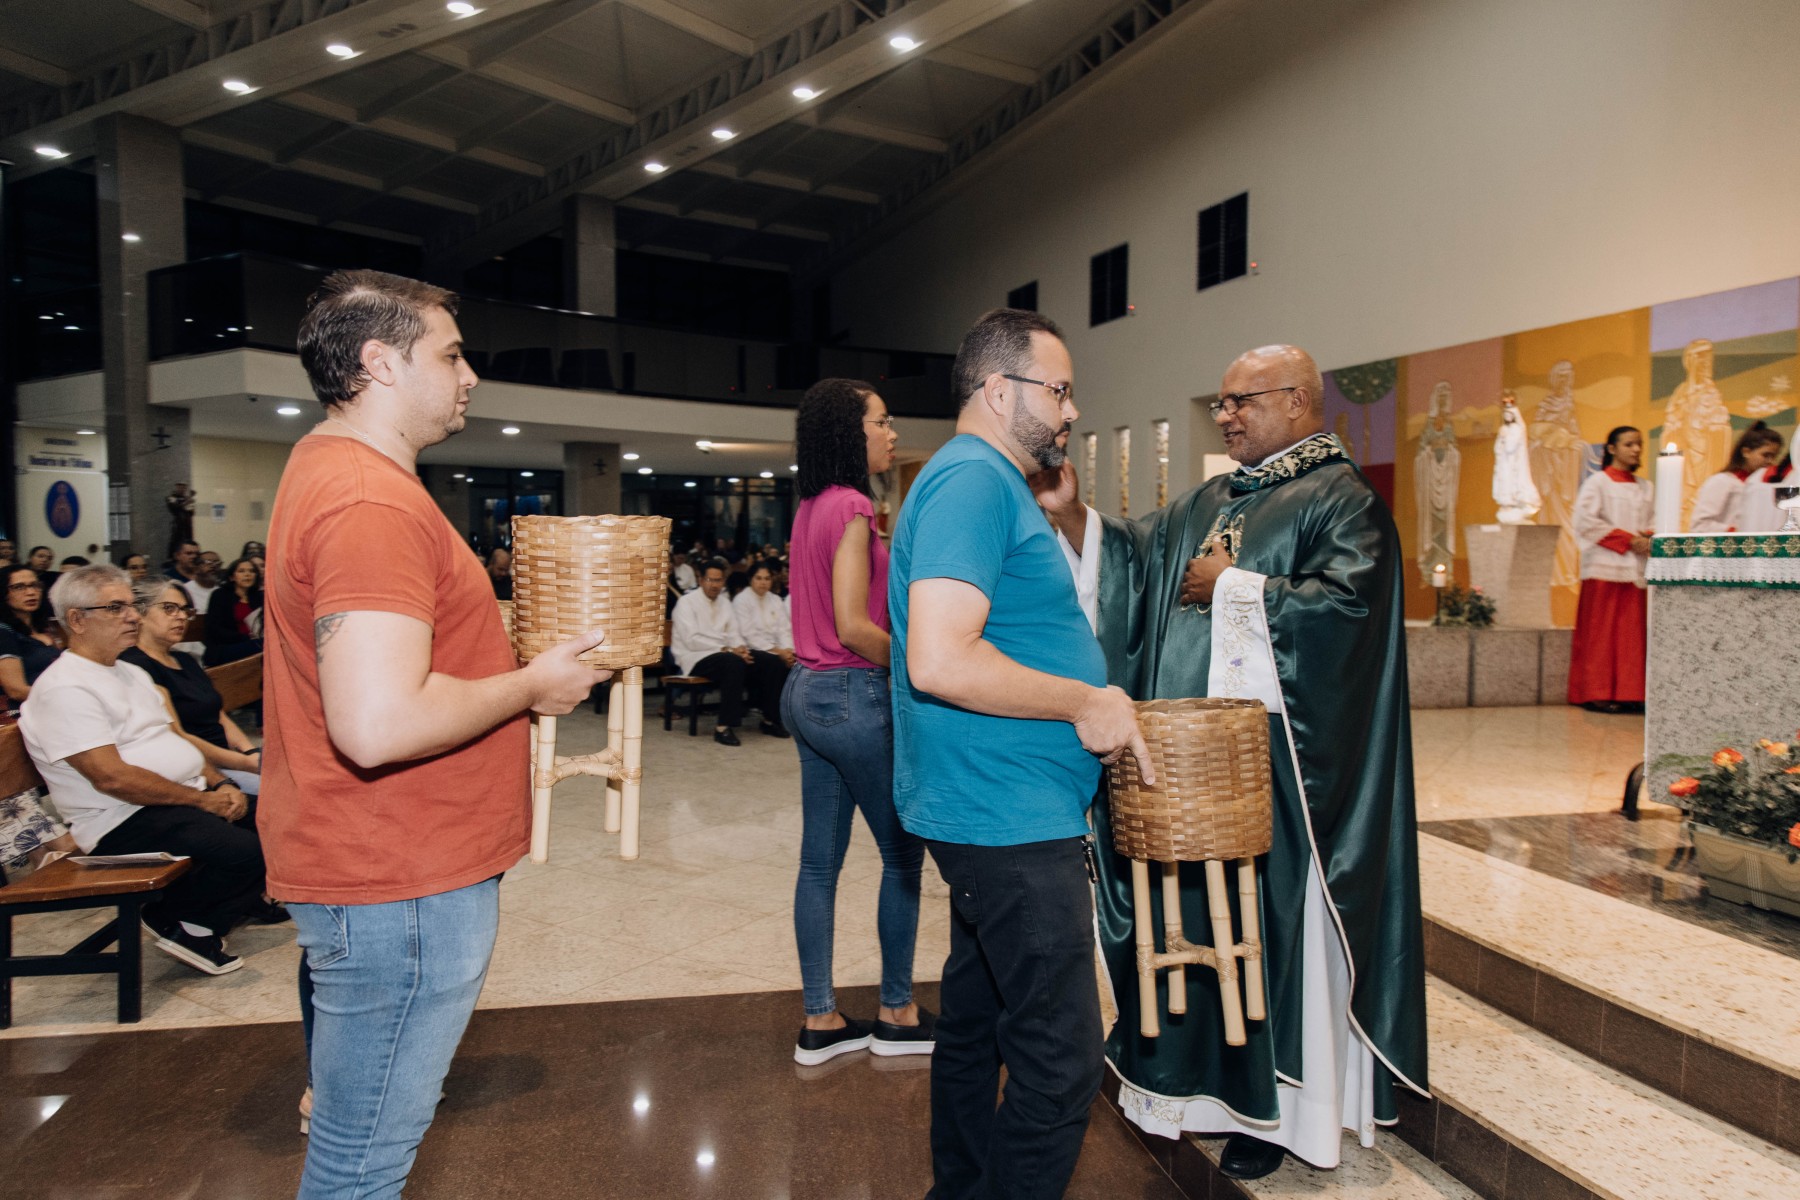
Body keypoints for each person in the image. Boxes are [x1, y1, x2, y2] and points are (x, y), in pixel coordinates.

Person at [1040, 342, 1430, 1181]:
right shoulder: (1214, 497)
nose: (1223, 417)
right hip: (1190, 774)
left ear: (1296, 401)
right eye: (1220, 403)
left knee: (1272, 929)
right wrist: (1075, 519)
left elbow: (1350, 613)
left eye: (1239, 402)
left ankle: (1285, 1109)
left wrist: (1233, 588)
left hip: (1285, 775)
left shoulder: (1343, 498)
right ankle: (1205, 1091)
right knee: (1195, 924)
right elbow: (1137, 559)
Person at [268, 268, 607, 1197]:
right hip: (401, 879)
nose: (470, 376)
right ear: (381, 363)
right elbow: (377, 724)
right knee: (360, 1168)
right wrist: (531, 685)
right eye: (451, 356)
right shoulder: (369, 502)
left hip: (382, 866)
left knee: (356, 1148)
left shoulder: (330, 466)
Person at [890, 308, 1149, 1199]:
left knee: (976, 1024)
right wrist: (1086, 700)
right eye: (1060, 390)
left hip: (993, 804)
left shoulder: (987, 481)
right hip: (1005, 814)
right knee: (1062, 1062)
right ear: (1000, 391)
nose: (1071, 410)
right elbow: (939, 658)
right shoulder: (973, 481)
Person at [782, 377, 929, 1066]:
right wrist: (917, 660)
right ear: (850, 431)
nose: (892, 434)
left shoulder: (810, 505)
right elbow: (852, 625)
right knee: (902, 856)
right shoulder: (850, 506)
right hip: (850, 691)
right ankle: (897, 1012)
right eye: (881, 422)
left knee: (819, 864)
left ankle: (821, 1019)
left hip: (806, 692)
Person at [18, 565, 264, 974]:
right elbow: (110, 778)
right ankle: (182, 919)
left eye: (132, 606)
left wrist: (220, 782)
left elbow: (175, 741)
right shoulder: (64, 688)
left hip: (174, 801)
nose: (133, 616)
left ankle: (192, 917)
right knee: (247, 852)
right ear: (76, 619)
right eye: (116, 608)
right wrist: (204, 801)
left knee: (279, 822)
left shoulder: (129, 671)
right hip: (120, 819)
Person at [121, 579, 263, 795]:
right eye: (169, 608)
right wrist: (245, 763)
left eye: (185, 610)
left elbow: (219, 716)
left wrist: (250, 751)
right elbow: (176, 736)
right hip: (196, 770)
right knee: (282, 794)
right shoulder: (136, 665)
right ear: (140, 613)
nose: (181, 616)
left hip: (229, 759)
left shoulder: (185, 659)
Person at [1568, 426, 1654, 714]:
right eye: (1629, 444)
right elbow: (1586, 521)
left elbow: (1654, 520)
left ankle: (1631, 692)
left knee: (1631, 634)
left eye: (1639, 444)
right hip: (1604, 567)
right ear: (1612, 449)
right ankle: (1596, 692)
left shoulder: (1646, 486)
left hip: (1635, 568)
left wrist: (1649, 537)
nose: (1636, 449)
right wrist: (1629, 540)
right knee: (1601, 633)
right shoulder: (1598, 483)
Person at [670, 563, 790, 745]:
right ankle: (723, 726)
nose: (714, 585)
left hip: (725, 654)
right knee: (732, 663)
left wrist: (741, 648)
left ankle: (770, 720)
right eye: (710, 580)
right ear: (701, 580)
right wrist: (728, 649)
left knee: (771, 661)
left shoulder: (725, 603)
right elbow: (691, 639)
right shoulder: (686, 602)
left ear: (724, 581)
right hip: (694, 656)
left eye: (718, 580)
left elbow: (734, 633)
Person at [1689, 421, 1783, 533]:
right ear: (1746, 452)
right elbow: (1699, 525)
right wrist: (1739, 531)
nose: (1770, 461)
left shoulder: (1764, 487)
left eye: (1774, 456)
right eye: (1766, 455)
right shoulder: (1722, 481)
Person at [0, 565, 62, 705]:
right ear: (3, 592)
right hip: (23, 710)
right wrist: (66, 698)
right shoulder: (3, 632)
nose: (31, 592)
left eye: (35, 585)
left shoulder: (47, 627)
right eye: (19, 587)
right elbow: (16, 690)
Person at [204, 557, 263, 666]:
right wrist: (245, 638)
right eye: (241, 571)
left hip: (254, 645)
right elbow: (214, 629)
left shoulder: (259, 597)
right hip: (225, 647)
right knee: (263, 645)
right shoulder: (220, 595)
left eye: (251, 571)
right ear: (232, 577)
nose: (247, 574)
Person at [732, 565, 795, 665]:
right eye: (758, 578)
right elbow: (749, 635)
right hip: (754, 649)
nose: (763, 582)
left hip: (779, 648)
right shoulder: (741, 600)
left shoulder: (776, 600)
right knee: (774, 661)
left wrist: (788, 650)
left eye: (767, 579)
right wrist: (778, 652)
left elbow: (784, 630)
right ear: (750, 579)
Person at [183, 550, 223, 616]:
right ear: (196, 568)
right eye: (208, 562)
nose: (213, 566)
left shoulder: (222, 592)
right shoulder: (185, 590)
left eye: (217, 563)